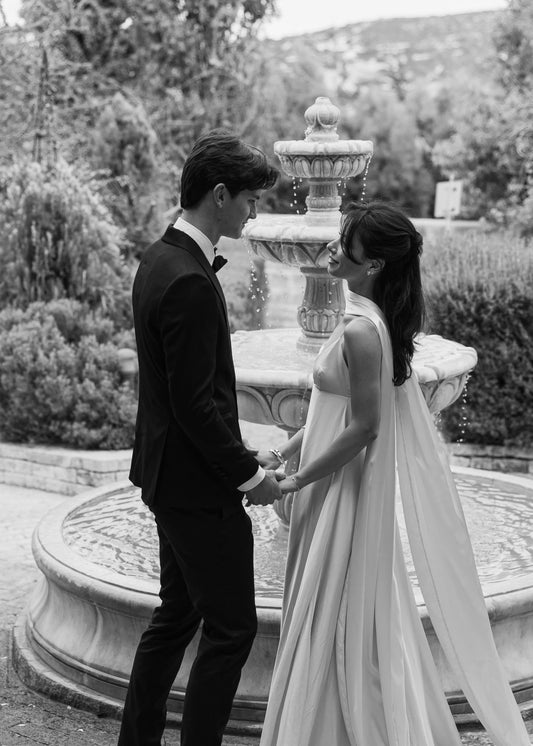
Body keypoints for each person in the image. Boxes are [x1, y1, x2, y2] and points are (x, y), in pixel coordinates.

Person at [259, 201, 531, 746]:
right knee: (328, 604)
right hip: (328, 479)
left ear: (375, 264)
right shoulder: (363, 318)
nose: (333, 250)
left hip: (340, 489)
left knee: (328, 606)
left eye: (345, 245)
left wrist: (296, 480)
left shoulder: (363, 331)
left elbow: (363, 428)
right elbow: (325, 411)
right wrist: (285, 451)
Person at [117, 129, 281, 746]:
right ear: (219, 194)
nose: (254, 211)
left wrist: (246, 452)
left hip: (168, 476)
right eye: (248, 200)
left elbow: (190, 397)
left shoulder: (158, 258)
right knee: (232, 628)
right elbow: (192, 406)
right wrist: (250, 477)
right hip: (194, 490)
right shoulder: (186, 278)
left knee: (177, 615)